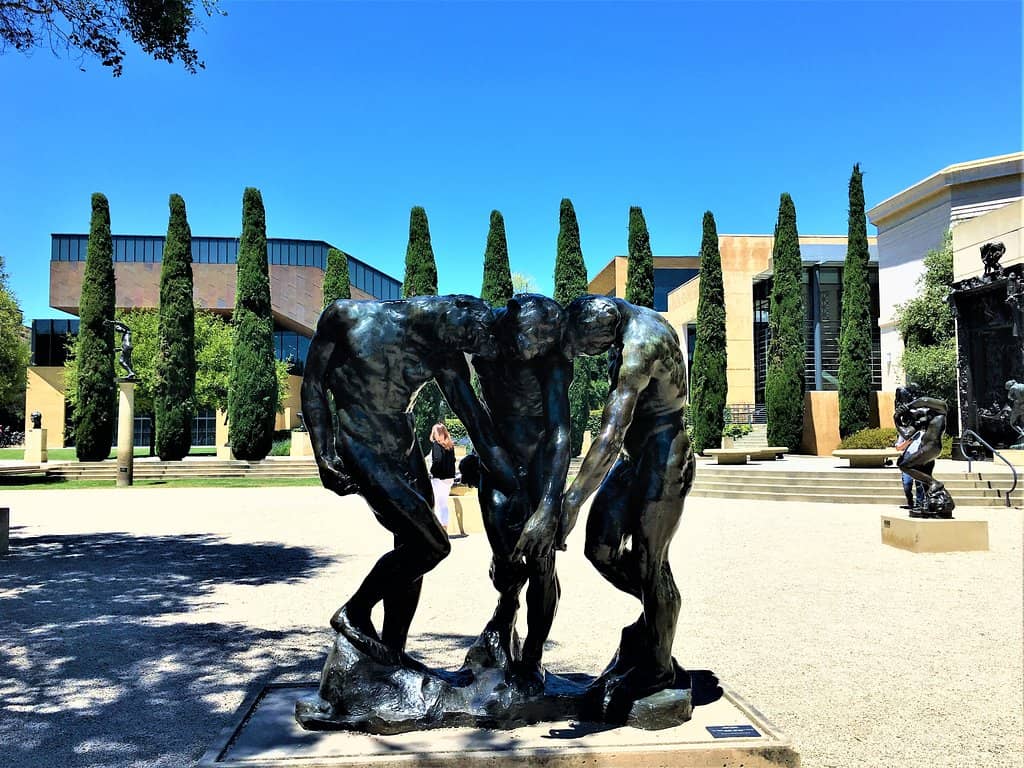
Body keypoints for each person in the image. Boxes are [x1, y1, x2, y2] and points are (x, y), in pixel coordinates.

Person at [300, 294, 519, 667]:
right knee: (431, 544)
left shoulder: (442, 350)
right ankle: (354, 611)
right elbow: (313, 385)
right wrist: (323, 454)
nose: (458, 353)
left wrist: (514, 482)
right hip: (360, 444)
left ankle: (392, 651)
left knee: (411, 549)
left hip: (405, 449)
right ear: (448, 319)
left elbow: (475, 420)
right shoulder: (347, 317)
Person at [560, 295, 694, 722]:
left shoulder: (640, 345)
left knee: (651, 562)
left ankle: (657, 667)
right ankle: (660, 614)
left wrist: (572, 501)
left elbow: (612, 431)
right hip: (637, 458)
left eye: (588, 348)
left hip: (665, 456)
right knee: (599, 548)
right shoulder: (626, 321)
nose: (589, 356)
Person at [470, 294, 572, 691]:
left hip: (542, 466)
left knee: (542, 563)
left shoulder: (552, 357)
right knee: (506, 563)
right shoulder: (485, 340)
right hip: (496, 463)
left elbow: (561, 430)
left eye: (541, 341)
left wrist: (549, 503)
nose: (533, 348)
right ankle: (506, 608)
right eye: (527, 338)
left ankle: (532, 656)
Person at [894, 384, 955, 519]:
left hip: (932, 447)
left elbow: (924, 401)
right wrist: (896, 419)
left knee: (904, 465)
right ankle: (930, 504)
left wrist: (908, 406)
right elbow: (906, 434)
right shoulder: (925, 418)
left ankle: (936, 484)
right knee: (923, 477)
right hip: (926, 448)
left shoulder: (941, 409)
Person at [429, 422, 457, 531]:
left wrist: (431, 472)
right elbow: (453, 461)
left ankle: (437, 529)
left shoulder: (436, 445)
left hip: (439, 478)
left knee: (435, 503)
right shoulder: (450, 444)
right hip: (449, 478)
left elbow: (437, 460)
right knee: (444, 504)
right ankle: (444, 527)